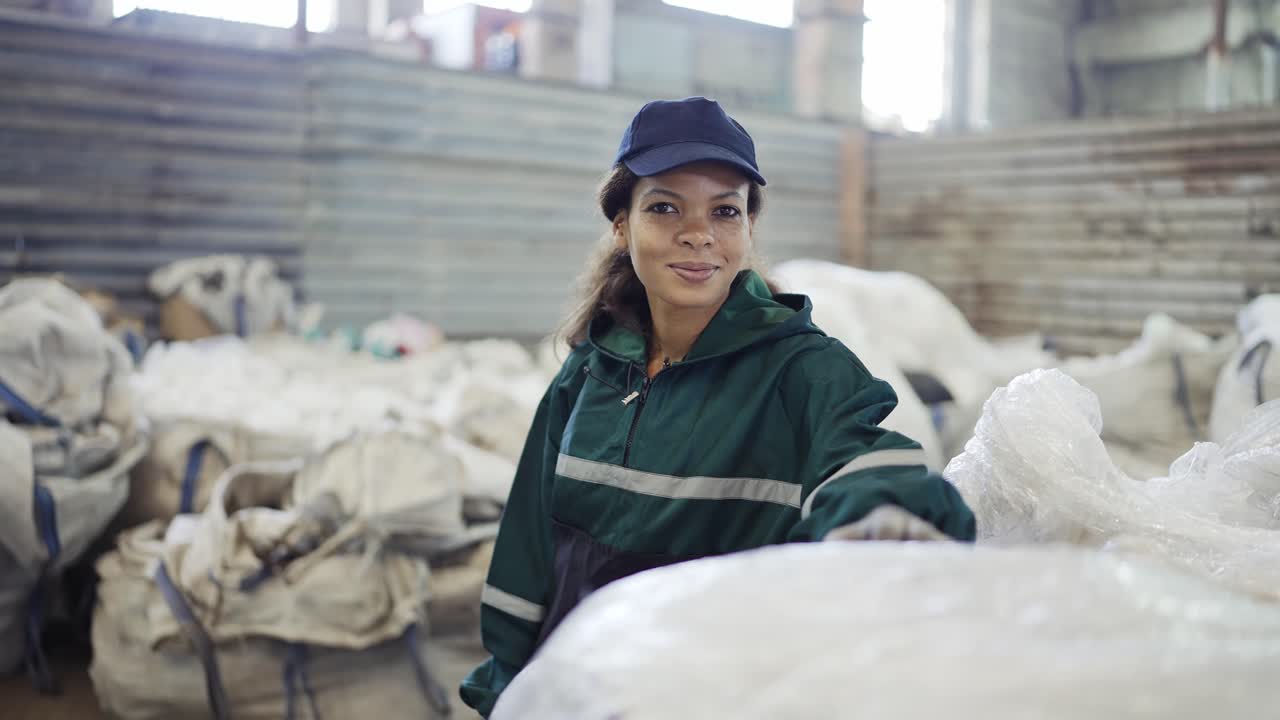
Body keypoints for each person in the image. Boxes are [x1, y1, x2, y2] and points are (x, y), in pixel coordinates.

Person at [460, 97, 975, 717]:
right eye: (664, 207)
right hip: (577, 696)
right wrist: (504, 691)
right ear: (621, 226)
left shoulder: (802, 369)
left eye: (725, 211)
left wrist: (885, 513)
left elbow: (868, 462)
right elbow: (528, 553)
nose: (698, 233)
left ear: (748, 229)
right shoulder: (589, 372)